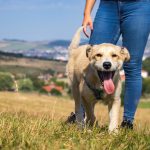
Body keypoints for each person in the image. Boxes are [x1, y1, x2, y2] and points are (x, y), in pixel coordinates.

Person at [82, 0, 150, 128]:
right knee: (93, 58)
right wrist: (87, 12)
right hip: (108, 6)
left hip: (139, 7)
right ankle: (81, 115)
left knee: (133, 65)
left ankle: (127, 122)